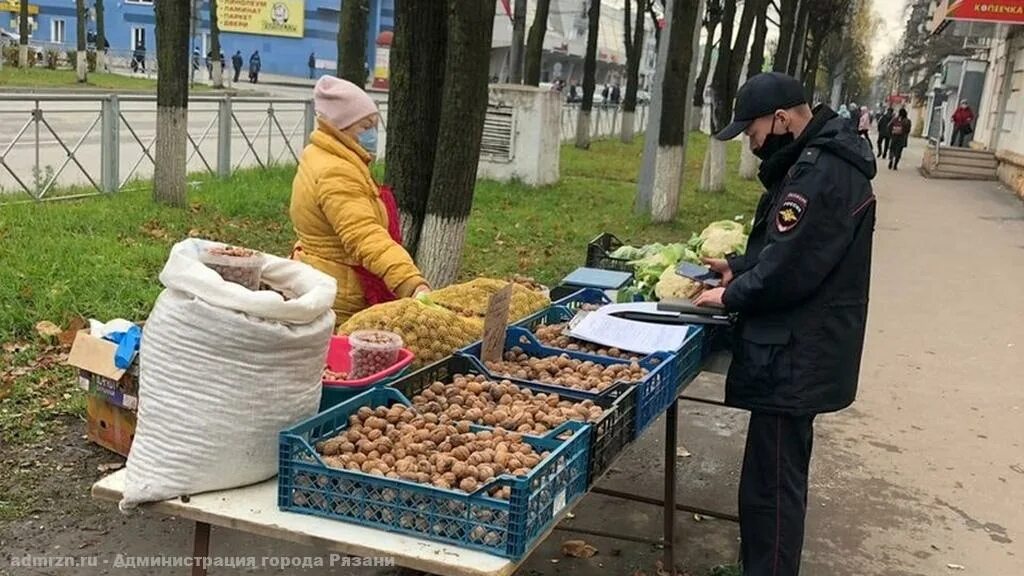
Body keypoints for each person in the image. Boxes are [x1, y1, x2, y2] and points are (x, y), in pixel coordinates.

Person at [695, 72, 876, 576]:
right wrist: (740, 266)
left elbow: (788, 270)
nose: (752, 145)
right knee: (769, 483)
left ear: (780, 119)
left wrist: (731, 293)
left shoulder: (821, 175)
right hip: (800, 348)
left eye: (752, 134)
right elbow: (785, 251)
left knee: (771, 494)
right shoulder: (813, 164)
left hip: (797, 354)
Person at [290, 76, 430, 323]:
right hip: (339, 295)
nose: (373, 134)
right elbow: (365, 235)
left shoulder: (323, 154)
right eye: (365, 127)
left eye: (375, 126)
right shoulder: (336, 172)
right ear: (339, 127)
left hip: (320, 277)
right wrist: (410, 282)